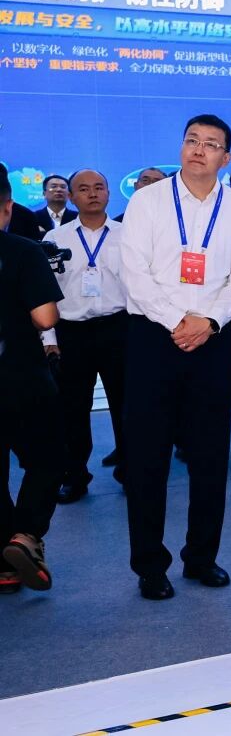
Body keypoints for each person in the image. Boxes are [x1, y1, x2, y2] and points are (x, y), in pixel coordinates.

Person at [119, 114, 231, 601]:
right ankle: (149, 565)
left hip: (213, 340)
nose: (199, 149)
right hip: (152, 337)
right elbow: (134, 272)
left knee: (210, 455)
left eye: (211, 144)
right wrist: (177, 320)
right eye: (192, 140)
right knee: (147, 456)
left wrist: (209, 321)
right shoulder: (147, 200)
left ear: (226, 157)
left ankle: (201, 556)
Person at [41, 170, 129, 502]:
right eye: (83, 189)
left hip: (118, 328)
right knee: (72, 409)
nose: (92, 194)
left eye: (98, 187)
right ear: (72, 197)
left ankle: (129, 471)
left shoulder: (128, 235)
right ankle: (75, 476)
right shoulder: (55, 238)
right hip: (72, 332)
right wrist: (49, 338)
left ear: (108, 193)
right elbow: (46, 292)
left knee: (126, 406)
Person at [0, 172, 65, 594]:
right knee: (48, 458)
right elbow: (45, 318)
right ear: (8, 207)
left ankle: (5, 565)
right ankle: (25, 535)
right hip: (20, 374)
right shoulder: (23, 250)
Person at [32, 174, 76, 239]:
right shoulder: (33, 218)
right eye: (54, 186)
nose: (59, 190)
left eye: (63, 187)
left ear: (69, 194)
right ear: (44, 194)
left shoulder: (77, 218)